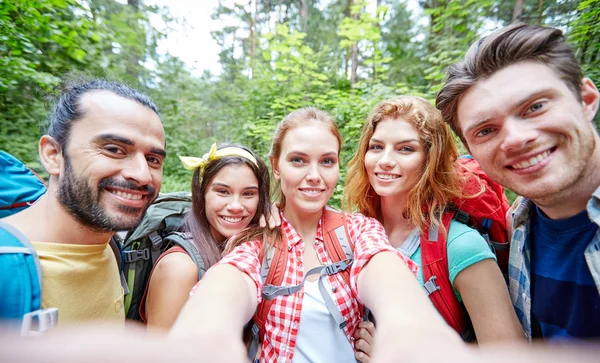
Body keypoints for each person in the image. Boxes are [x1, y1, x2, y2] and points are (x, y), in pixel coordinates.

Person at [169, 107, 462, 362]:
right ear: (276, 166)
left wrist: (409, 325)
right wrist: (206, 331)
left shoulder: (359, 229)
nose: (314, 175)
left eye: (326, 161)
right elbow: (231, 279)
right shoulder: (254, 240)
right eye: (298, 160)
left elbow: (384, 270)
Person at [436, 23, 600, 341]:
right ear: (471, 153)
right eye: (485, 130)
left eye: (535, 107)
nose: (515, 139)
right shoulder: (518, 226)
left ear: (587, 99)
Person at [344, 95, 524, 344]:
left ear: (431, 161)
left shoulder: (460, 245)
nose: (385, 161)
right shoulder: (353, 231)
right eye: (376, 147)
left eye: (405, 148)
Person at [0, 79, 165, 326]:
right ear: (53, 155)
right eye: (114, 149)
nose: (142, 175)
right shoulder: (7, 265)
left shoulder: (110, 246)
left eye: (153, 159)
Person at [142, 143, 271, 331]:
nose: (235, 205)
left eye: (248, 193)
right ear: (201, 193)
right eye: (222, 192)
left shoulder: (246, 247)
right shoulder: (179, 267)